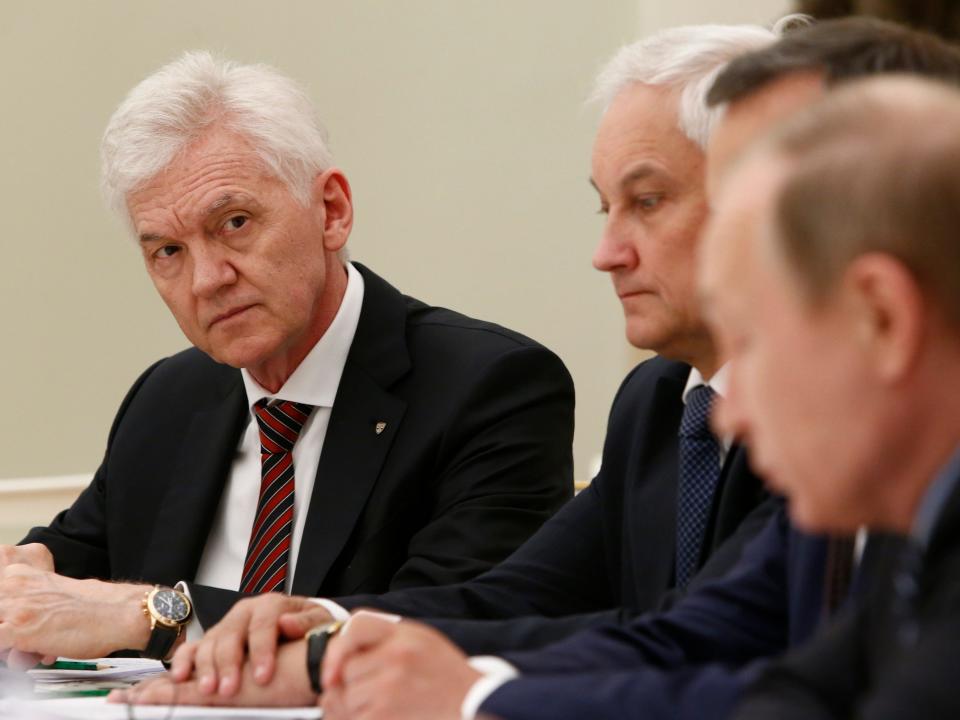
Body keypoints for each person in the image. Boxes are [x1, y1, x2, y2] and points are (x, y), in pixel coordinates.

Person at [115, 17, 960, 720]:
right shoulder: (660, 402)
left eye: (650, 199)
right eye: (165, 250)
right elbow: (667, 635)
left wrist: (470, 695)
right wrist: (327, 645)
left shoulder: (490, 381)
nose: (604, 252)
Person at [0, 50, 576, 668]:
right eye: (168, 250)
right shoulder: (167, 399)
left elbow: (446, 627)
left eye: (235, 222)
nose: (206, 281)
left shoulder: (491, 387)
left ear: (331, 210)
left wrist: (158, 616)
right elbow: (59, 572)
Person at [719, 75, 960, 720]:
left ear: (882, 319)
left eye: (749, 342)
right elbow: (801, 690)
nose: (728, 414)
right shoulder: (909, 523)